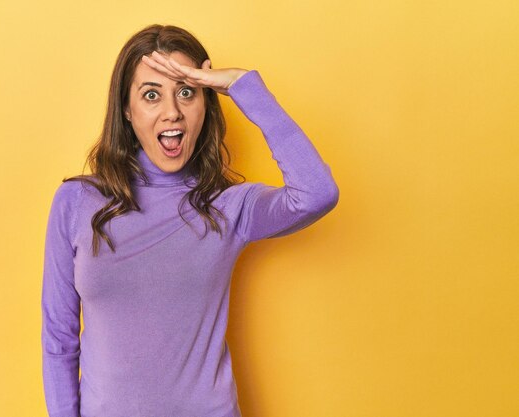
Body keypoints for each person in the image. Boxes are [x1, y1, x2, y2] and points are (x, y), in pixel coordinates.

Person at [41, 23, 339, 417]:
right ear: (127, 111)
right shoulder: (78, 202)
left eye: (187, 92)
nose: (172, 112)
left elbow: (317, 193)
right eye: (151, 95)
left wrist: (243, 87)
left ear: (206, 104)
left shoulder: (229, 207)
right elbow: (59, 339)